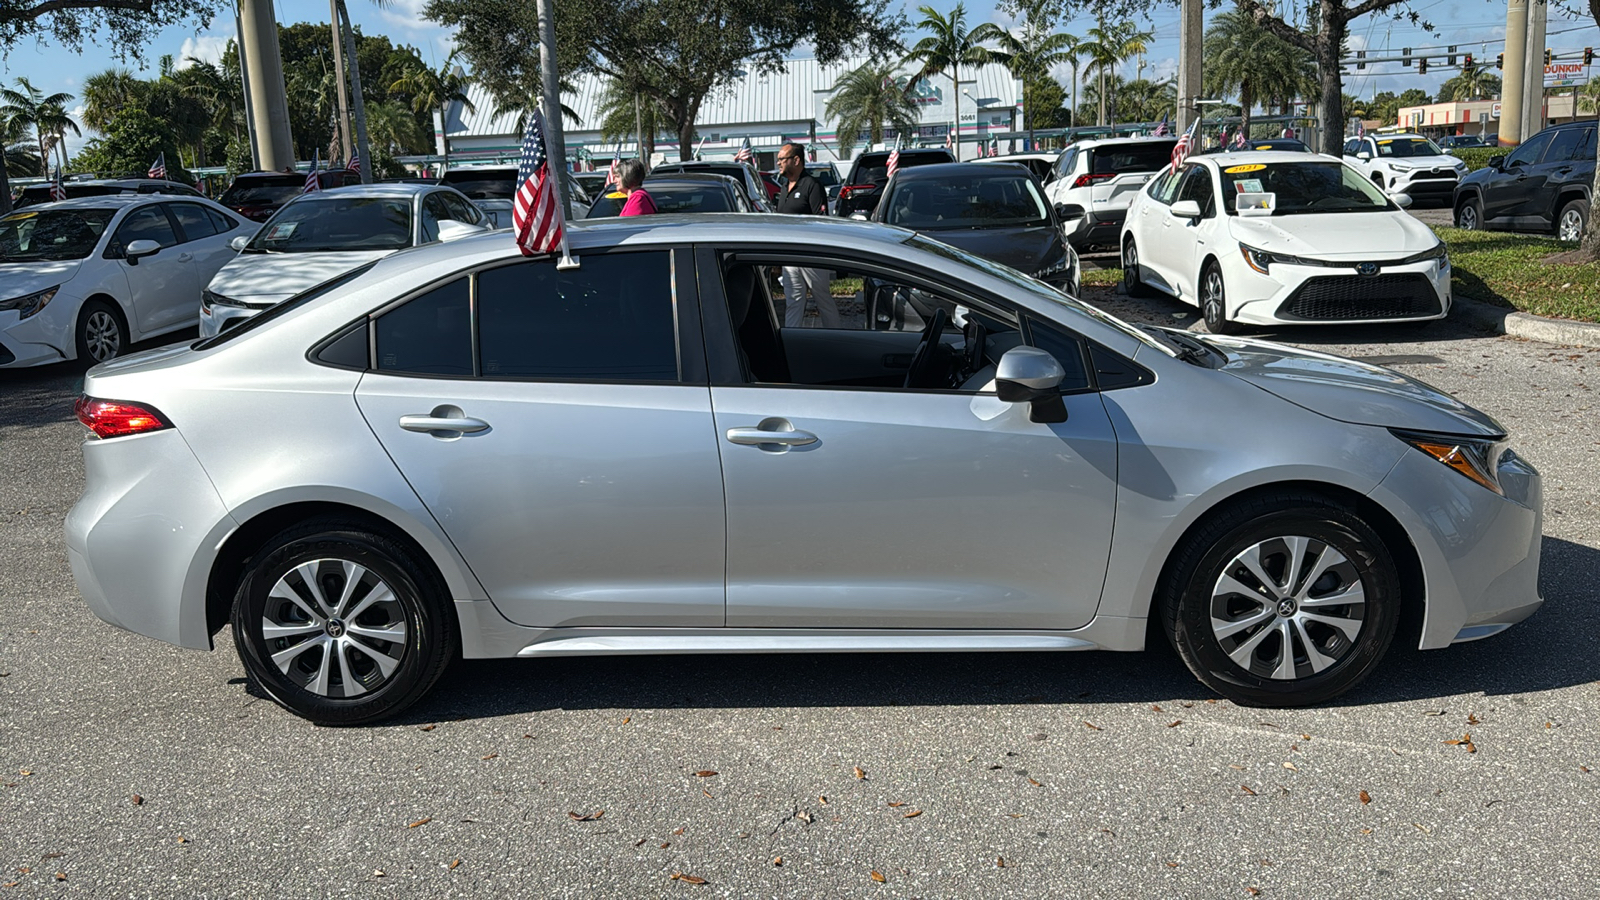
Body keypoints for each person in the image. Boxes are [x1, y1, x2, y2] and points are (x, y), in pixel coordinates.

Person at [773, 142, 838, 328]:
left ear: (796, 160)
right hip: (790, 256)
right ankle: (791, 338)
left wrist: (815, 252)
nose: (778, 163)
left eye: (782, 159)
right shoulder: (785, 187)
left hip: (811, 255)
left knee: (822, 298)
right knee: (793, 300)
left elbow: (822, 221)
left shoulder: (812, 186)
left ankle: (836, 337)